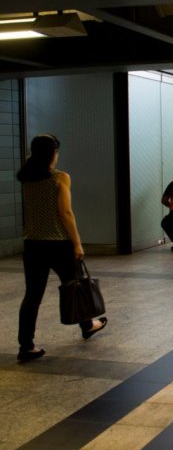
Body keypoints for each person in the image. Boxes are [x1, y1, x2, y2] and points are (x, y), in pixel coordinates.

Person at [16, 134, 107, 362]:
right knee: (75, 285)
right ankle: (87, 325)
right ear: (53, 153)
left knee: (32, 296)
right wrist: (77, 243)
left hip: (33, 244)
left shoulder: (26, 177)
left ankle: (26, 346)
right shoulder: (60, 178)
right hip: (58, 243)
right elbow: (65, 212)